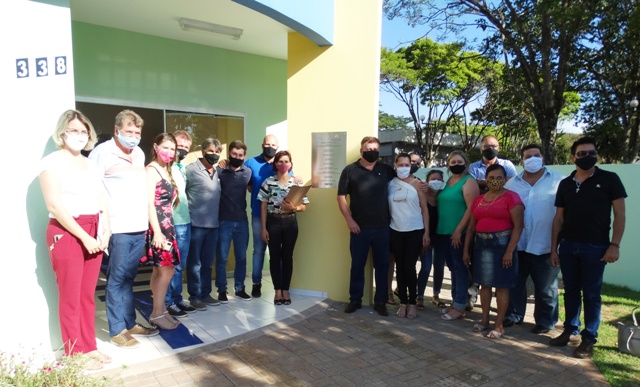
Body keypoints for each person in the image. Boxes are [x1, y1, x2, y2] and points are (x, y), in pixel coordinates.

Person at [40, 110, 111, 369]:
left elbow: (100, 199)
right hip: (67, 231)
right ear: (62, 133)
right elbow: (55, 206)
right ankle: (74, 354)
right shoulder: (51, 162)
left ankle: (89, 347)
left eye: (83, 131)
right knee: (70, 296)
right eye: (73, 130)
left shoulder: (90, 163)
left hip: (94, 228)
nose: (79, 136)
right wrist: (84, 237)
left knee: (86, 296)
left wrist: (105, 231)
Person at [549, 137, 626, 358]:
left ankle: (589, 338)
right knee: (571, 291)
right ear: (573, 157)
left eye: (591, 152)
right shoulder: (565, 184)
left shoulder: (610, 179)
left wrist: (614, 245)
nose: (587, 157)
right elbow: (558, 219)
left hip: (596, 247)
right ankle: (569, 331)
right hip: (568, 246)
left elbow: (620, 215)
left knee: (591, 294)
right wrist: (554, 249)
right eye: (581, 154)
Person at [89, 109, 158, 349]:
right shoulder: (101, 153)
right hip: (117, 227)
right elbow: (92, 190)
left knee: (129, 277)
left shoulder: (138, 153)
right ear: (117, 130)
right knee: (117, 279)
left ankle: (130, 323)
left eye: (137, 132)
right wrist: (102, 227)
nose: (134, 136)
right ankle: (117, 329)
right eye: (129, 131)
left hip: (138, 226)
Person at [503, 145, 565, 334]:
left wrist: (558, 245)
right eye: (527, 156)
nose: (532, 159)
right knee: (515, 283)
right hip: (518, 244)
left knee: (546, 287)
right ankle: (514, 315)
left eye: (536, 155)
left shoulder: (559, 181)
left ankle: (545, 321)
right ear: (521, 161)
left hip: (546, 244)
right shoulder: (511, 184)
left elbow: (564, 215)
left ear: (543, 157)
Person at [463, 164, 524, 339]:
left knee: (502, 287)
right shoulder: (479, 200)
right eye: (491, 178)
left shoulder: (512, 197)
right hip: (481, 245)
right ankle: (484, 320)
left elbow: (519, 226)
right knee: (484, 285)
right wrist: (466, 250)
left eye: (499, 178)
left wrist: (509, 251)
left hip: (502, 244)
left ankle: (499, 325)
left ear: (505, 179)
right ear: (486, 179)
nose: (495, 181)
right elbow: (472, 228)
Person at [337, 136, 395, 316]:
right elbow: (341, 197)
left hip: (383, 227)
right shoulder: (350, 170)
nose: (372, 152)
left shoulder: (386, 170)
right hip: (359, 228)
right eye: (369, 149)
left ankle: (381, 302)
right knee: (357, 265)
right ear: (361, 150)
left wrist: (421, 186)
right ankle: (355, 300)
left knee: (383, 265)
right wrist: (349, 220)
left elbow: (403, 184)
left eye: (375, 149)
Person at [141, 133, 182, 330]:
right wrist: (157, 232)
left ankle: (160, 310)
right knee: (167, 270)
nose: (169, 152)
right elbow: (149, 202)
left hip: (168, 226)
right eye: (165, 147)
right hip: (159, 227)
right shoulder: (151, 170)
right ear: (156, 147)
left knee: (160, 270)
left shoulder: (167, 170)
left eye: (172, 149)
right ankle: (157, 313)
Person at [258, 151, 309, 305]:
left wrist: (293, 207)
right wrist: (263, 228)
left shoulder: (296, 183)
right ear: (275, 164)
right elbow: (263, 205)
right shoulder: (268, 182)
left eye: (286, 161)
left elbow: (304, 207)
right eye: (280, 161)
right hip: (273, 223)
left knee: (287, 257)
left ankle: (286, 289)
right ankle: (277, 290)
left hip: (290, 223)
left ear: (291, 164)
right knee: (274, 257)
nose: (283, 164)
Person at [434, 150, 479, 321]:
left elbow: (471, 209)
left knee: (460, 269)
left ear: (465, 163)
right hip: (442, 232)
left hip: (458, 234)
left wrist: (459, 230)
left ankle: (460, 305)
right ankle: (455, 302)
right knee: (452, 269)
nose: (456, 165)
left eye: (459, 162)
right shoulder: (448, 182)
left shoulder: (469, 182)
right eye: (452, 162)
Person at [388, 153, 429, 318]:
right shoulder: (390, 184)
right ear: (395, 166)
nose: (404, 167)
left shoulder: (418, 184)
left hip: (415, 230)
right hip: (395, 230)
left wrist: (427, 232)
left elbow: (424, 209)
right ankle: (402, 303)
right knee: (399, 268)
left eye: (407, 164)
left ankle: (412, 302)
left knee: (409, 268)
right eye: (401, 164)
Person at [186, 138, 223, 310]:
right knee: (195, 264)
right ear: (202, 151)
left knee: (208, 263)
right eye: (211, 151)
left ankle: (205, 294)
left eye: (217, 152)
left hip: (213, 225)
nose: (214, 155)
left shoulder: (217, 172)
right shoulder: (191, 170)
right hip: (196, 225)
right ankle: (195, 297)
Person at [215, 140, 253, 302]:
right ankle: (222, 290)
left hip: (242, 222)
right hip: (224, 221)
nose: (237, 157)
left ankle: (239, 288)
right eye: (234, 154)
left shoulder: (248, 172)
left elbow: (256, 185)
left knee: (241, 258)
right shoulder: (220, 171)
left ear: (244, 156)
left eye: (240, 155)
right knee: (222, 259)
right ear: (228, 154)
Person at [244, 134, 280, 298]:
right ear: (262, 145)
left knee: (277, 253)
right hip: (259, 214)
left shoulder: (281, 163)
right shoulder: (251, 163)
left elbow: (290, 181)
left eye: (273, 144)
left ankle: (279, 287)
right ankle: (256, 284)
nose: (270, 147)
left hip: (278, 216)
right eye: (267, 144)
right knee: (258, 251)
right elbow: (245, 182)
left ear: (277, 147)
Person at [165, 130, 196, 318]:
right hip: (172, 223)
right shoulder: (165, 167)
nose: (182, 150)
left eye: (186, 147)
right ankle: (168, 302)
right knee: (170, 265)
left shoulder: (181, 167)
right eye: (180, 146)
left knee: (180, 265)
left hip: (186, 221)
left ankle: (177, 299)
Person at [417, 169, 446, 309]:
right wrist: (425, 234)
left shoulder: (443, 196)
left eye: (439, 179)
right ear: (427, 181)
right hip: (425, 236)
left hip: (440, 236)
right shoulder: (421, 195)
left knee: (439, 266)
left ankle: (436, 295)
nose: (436, 182)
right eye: (433, 179)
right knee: (426, 266)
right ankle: (420, 296)